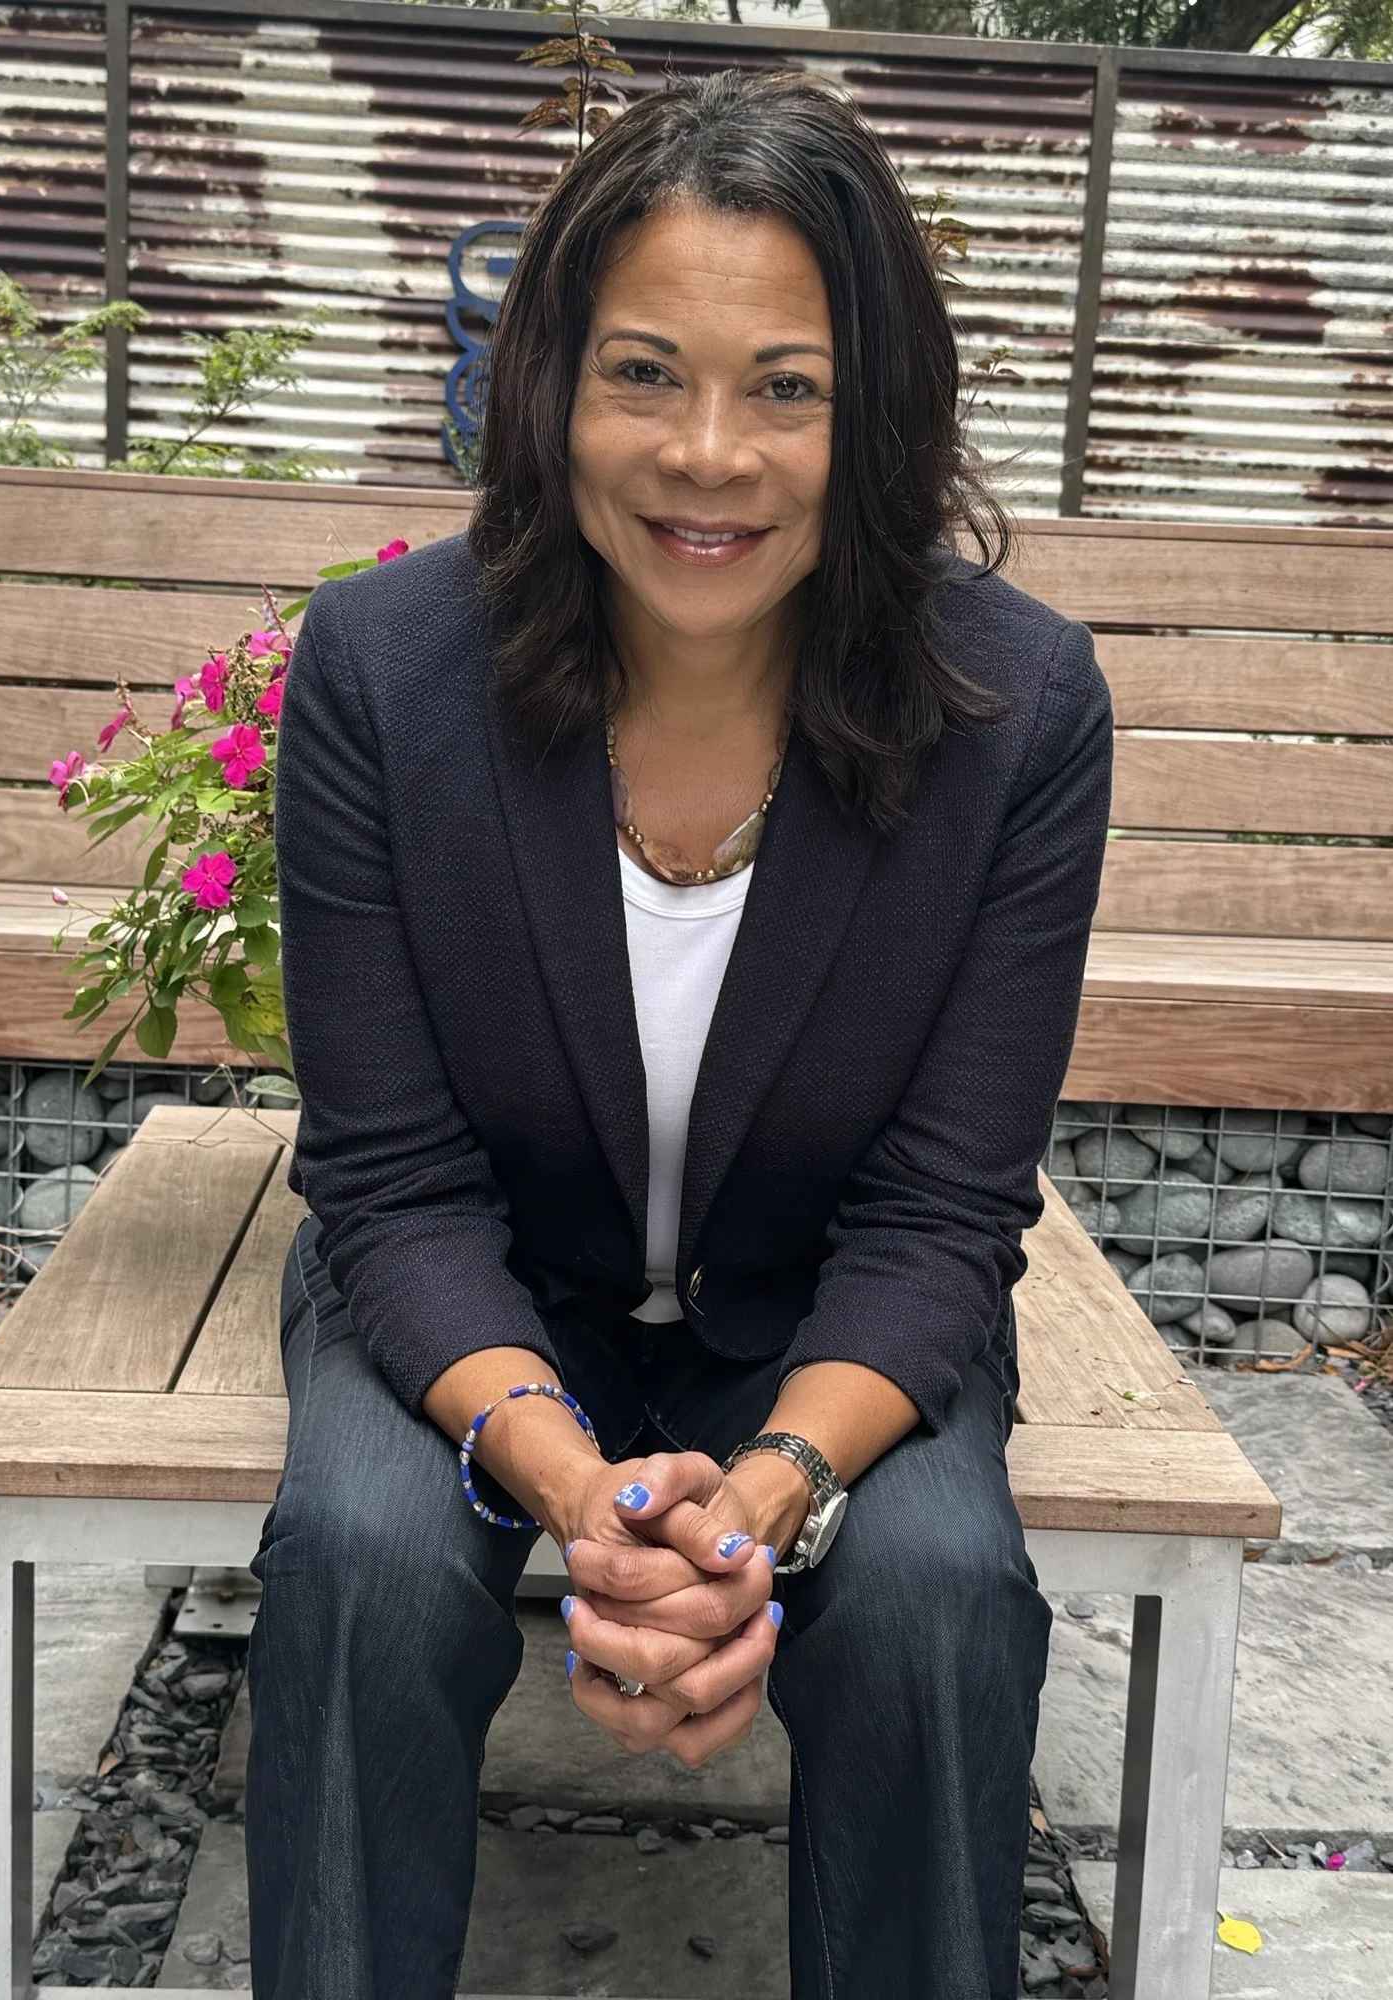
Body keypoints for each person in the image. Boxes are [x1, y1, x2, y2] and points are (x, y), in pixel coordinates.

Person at [247, 67, 1112, 2000]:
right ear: (550, 383)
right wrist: (585, 1496)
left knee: (940, 1596)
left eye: (786, 388)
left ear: (876, 416)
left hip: (821, 1311)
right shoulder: (386, 675)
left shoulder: (1017, 715)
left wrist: (772, 1493)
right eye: (644, 373)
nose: (708, 455)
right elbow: (392, 1179)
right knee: (364, 1561)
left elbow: (943, 1211)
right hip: (482, 1286)